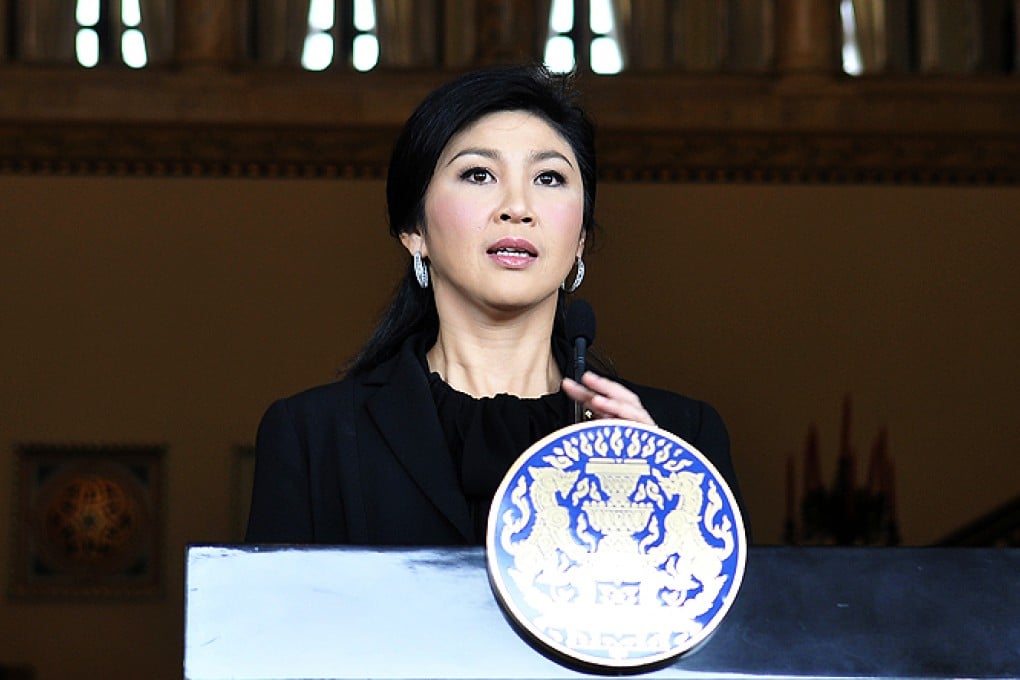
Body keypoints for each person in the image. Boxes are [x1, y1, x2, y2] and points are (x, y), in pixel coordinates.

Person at [246, 64, 743, 545]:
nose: (517, 208)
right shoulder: (313, 436)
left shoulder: (682, 437)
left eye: (549, 178)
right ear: (414, 229)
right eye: (479, 174)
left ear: (580, 239)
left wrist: (664, 486)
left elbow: (730, 600)